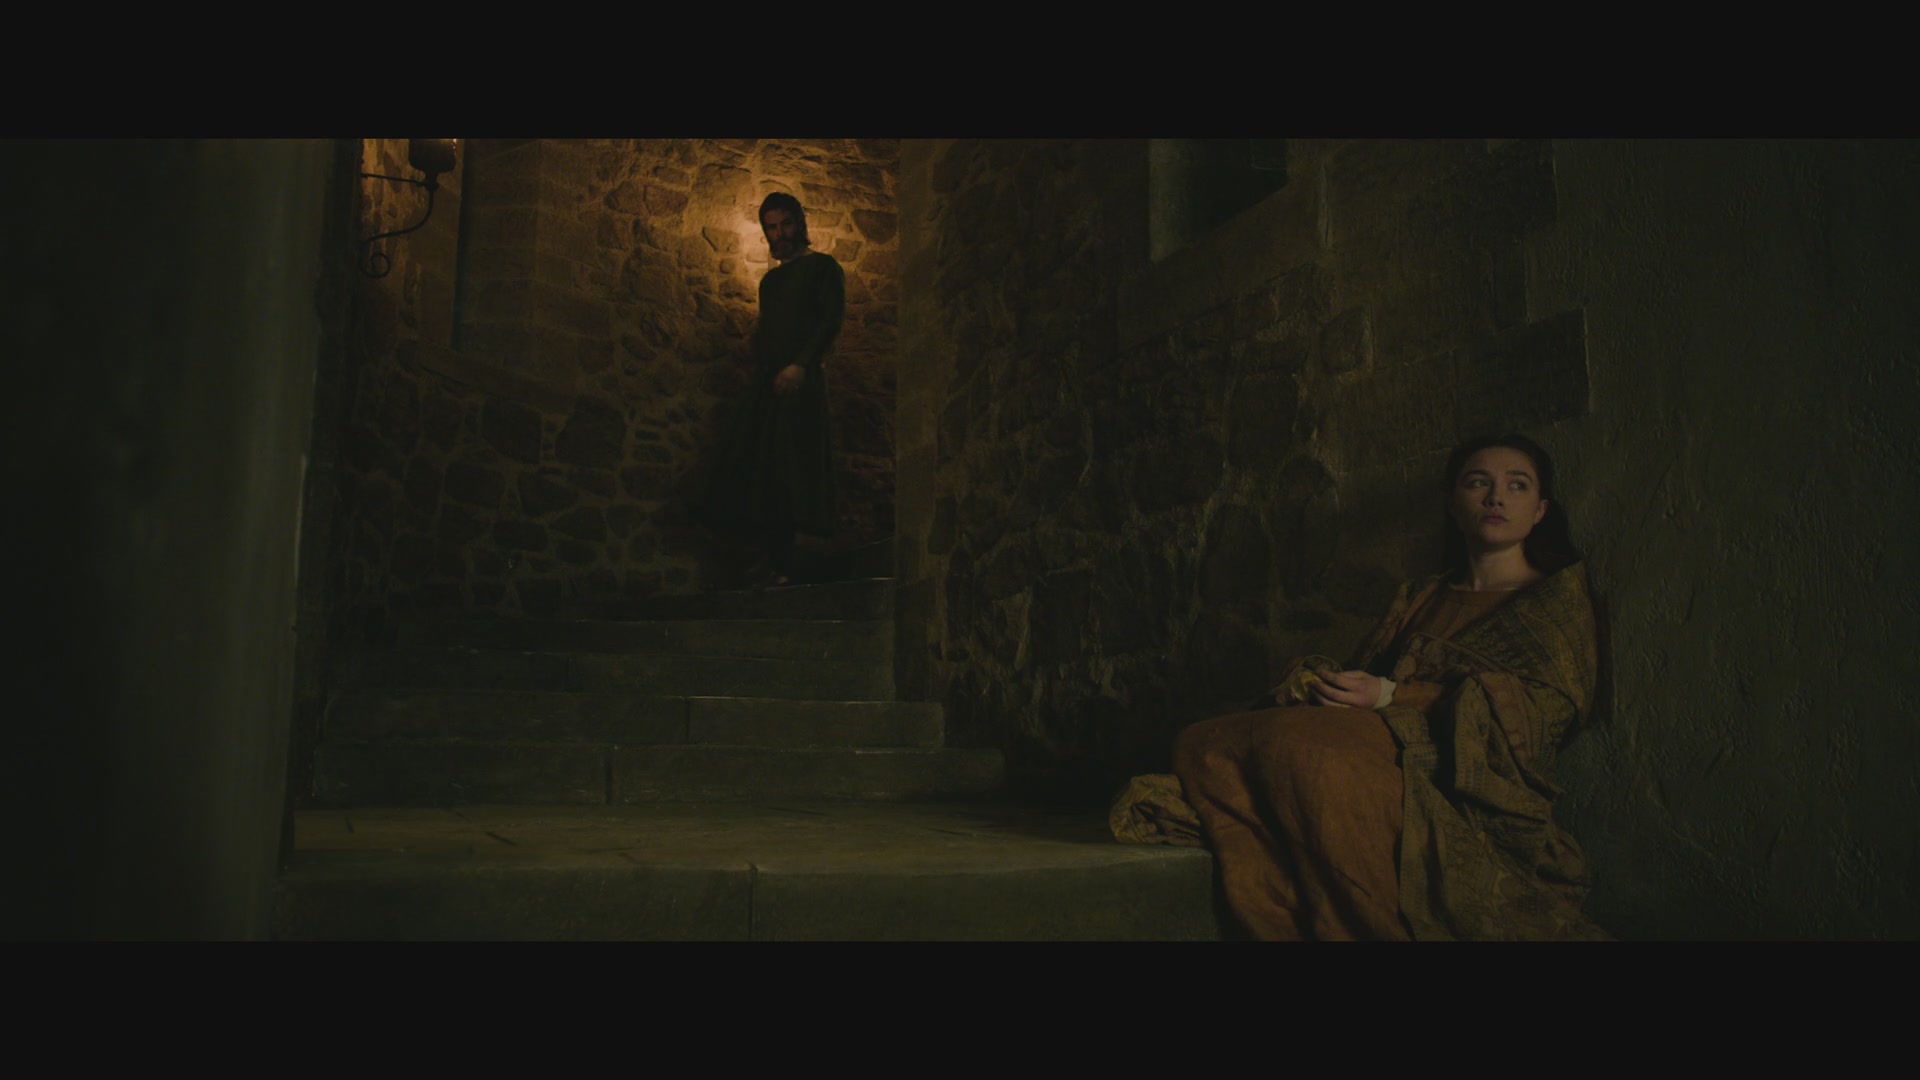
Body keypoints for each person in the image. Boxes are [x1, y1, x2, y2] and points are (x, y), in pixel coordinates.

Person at [1112, 433, 1608, 940]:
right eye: (1478, 483)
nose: (1496, 498)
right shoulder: (1421, 595)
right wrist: (1323, 682)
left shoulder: (1553, 602)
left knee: (1299, 750)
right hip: (1375, 736)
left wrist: (1392, 696)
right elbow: (1369, 670)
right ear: (1453, 503)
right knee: (1204, 742)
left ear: (1540, 510)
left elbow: (1545, 714)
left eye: (1517, 485)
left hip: (1452, 765)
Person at [695, 192, 846, 586]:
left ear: (800, 223)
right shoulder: (771, 282)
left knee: (796, 469)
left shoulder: (823, 268)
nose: (780, 234)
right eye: (772, 227)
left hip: (801, 383)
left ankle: (791, 565)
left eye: (786, 224)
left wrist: (801, 364)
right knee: (761, 468)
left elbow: (829, 321)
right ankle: (768, 559)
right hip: (769, 384)